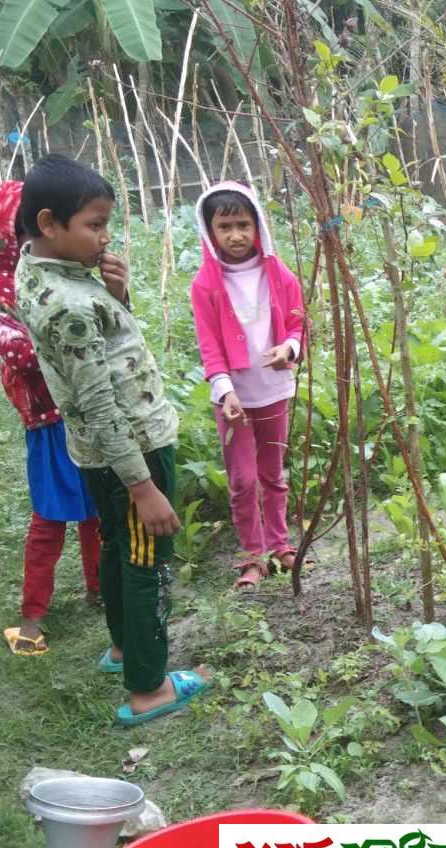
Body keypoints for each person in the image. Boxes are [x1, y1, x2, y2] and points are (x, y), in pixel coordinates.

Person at [15, 155, 210, 726]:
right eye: (94, 225)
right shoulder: (71, 306)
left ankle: (125, 650)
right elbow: (100, 400)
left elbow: (96, 355)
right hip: (133, 451)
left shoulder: (39, 270)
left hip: (98, 453)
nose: (105, 237)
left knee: (122, 549)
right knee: (149, 562)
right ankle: (149, 689)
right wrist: (145, 488)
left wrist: (116, 296)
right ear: (49, 223)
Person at [0, 180, 103, 655]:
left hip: (85, 411)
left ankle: (99, 589)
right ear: (12, 233)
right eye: (28, 227)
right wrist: (74, 342)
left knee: (97, 509)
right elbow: (20, 355)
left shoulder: (67, 276)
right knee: (50, 518)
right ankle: (32, 617)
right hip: (47, 421)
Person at [188, 181, 307, 592]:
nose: (236, 235)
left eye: (243, 225)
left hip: (274, 390)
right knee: (242, 479)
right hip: (233, 398)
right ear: (209, 232)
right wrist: (225, 391)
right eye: (225, 227)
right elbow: (209, 344)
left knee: (273, 474)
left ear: (258, 227)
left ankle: (280, 545)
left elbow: (296, 323)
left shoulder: (280, 275)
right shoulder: (205, 285)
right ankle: (252, 558)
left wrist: (289, 349)